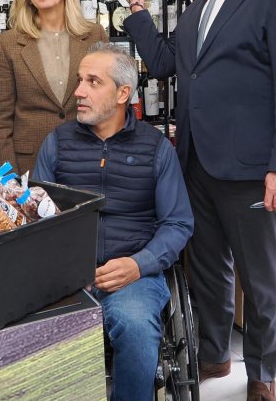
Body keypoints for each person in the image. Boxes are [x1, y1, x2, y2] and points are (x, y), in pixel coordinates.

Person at [123, 0, 276, 401]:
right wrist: (138, 11)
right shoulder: (201, 4)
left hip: (254, 170)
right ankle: (213, 354)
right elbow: (165, 63)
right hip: (197, 164)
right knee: (208, 269)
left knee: (261, 278)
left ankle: (262, 375)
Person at [33, 43, 193, 401]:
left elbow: (178, 223)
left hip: (133, 274)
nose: (79, 91)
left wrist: (138, 265)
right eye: (79, 80)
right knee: (32, 331)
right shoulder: (57, 143)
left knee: (135, 325)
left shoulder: (156, 148)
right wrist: (64, 270)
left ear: (123, 93)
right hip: (66, 277)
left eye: (93, 82)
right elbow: (36, 218)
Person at [0, 0, 107, 175]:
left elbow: (107, 102)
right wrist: (8, 179)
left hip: (87, 158)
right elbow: (0, 121)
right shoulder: (8, 43)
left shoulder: (95, 35)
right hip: (30, 165)